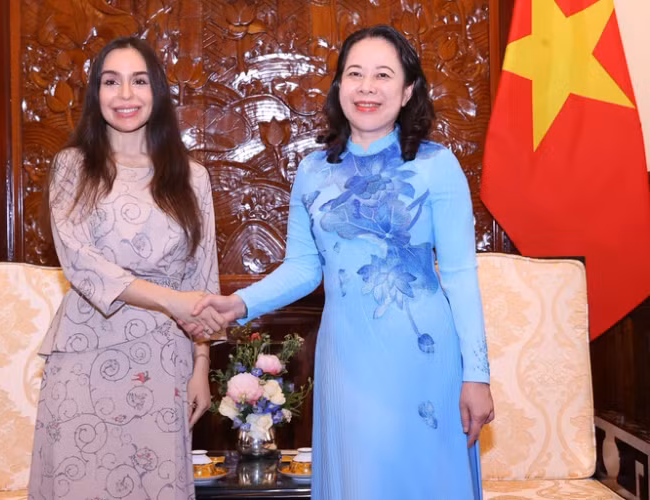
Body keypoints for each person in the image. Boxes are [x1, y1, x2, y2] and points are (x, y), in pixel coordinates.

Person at [185, 25, 494, 499]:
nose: (367, 87)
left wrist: (477, 375)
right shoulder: (312, 171)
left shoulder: (437, 165)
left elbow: (459, 275)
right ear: (339, 86)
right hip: (347, 357)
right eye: (355, 74)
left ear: (408, 90)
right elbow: (304, 269)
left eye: (383, 75)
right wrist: (238, 303)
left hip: (426, 358)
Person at [28, 36, 227, 500]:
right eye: (111, 82)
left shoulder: (192, 176)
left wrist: (201, 363)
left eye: (139, 81)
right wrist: (171, 300)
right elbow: (80, 264)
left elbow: (202, 275)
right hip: (85, 350)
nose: (125, 95)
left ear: (156, 92)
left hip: (163, 357)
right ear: (96, 94)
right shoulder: (72, 167)